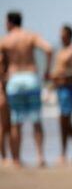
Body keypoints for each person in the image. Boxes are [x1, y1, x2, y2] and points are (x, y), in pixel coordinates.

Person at [0, 11, 52, 168]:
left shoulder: (6, 40)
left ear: (9, 23)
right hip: (31, 78)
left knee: (16, 121)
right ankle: (40, 156)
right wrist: (47, 71)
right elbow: (48, 49)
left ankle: (16, 159)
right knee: (36, 120)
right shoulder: (31, 36)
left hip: (14, 80)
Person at [50, 24, 72, 164]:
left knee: (66, 121)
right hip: (60, 89)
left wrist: (61, 75)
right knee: (63, 121)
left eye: (63, 34)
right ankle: (71, 152)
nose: (60, 37)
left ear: (69, 36)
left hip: (69, 89)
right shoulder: (60, 51)